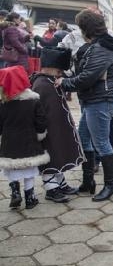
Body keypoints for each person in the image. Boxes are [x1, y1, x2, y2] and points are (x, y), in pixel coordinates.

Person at [56, 9, 113, 202]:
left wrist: (64, 83)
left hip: (100, 102)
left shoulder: (100, 49)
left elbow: (87, 78)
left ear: (86, 28)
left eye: (81, 27)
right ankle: (88, 181)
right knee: (84, 139)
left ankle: (111, 184)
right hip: (97, 101)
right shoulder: (104, 45)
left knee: (102, 144)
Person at [30, 47, 84, 203]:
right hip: (46, 130)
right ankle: (51, 188)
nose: (61, 73)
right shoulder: (41, 84)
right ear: (51, 68)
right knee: (49, 157)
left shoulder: (50, 80)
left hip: (57, 127)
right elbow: (37, 111)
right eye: (59, 70)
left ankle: (61, 183)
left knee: (58, 154)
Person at [0, 65, 49, 209]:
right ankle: (30, 198)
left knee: (12, 167)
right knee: (29, 170)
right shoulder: (33, 100)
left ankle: (15, 193)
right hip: (29, 140)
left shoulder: (3, 102)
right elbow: (41, 120)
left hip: (9, 142)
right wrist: (41, 133)